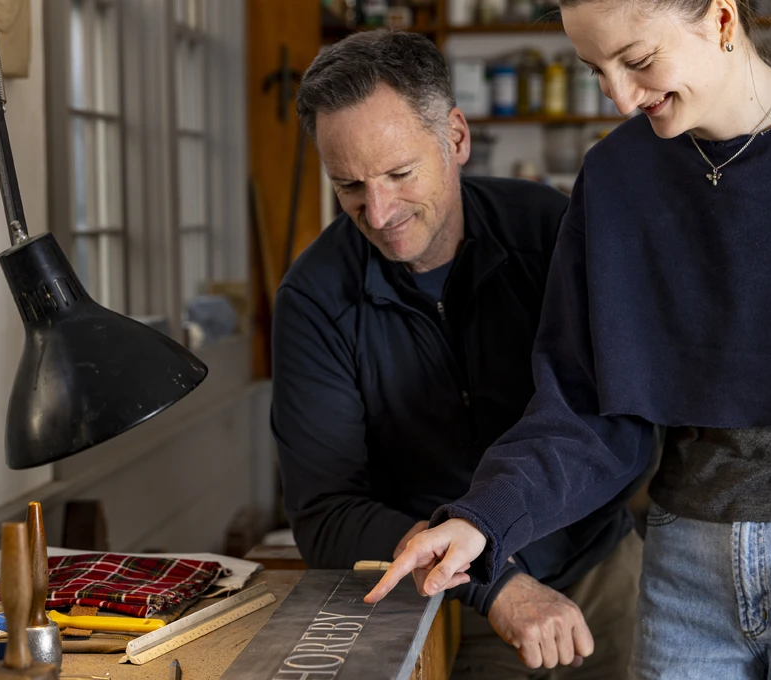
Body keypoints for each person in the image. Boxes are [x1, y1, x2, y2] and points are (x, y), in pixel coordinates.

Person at [367, 0, 771, 677]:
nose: (621, 96)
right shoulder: (614, 177)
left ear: (722, 20)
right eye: (595, 69)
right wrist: (482, 520)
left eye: (636, 61)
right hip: (680, 571)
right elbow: (583, 405)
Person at [272, 29, 648, 678]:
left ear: (457, 137)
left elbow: (621, 420)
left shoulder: (552, 234)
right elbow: (329, 514)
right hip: (443, 602)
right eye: (349, 186)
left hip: (599, 571)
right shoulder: (313, 298)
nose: (379, 210)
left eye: (399, 173)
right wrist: (492, 583)